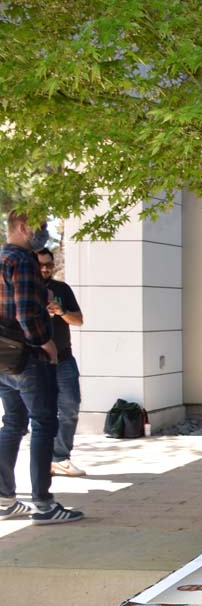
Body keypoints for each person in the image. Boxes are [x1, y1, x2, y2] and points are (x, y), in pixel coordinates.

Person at [0, 212, 82, 524]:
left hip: (4, 358)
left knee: (12, 424)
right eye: (40, 226)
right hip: (29, 358)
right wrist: (44, 342)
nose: (43, 232)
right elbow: (25, 311)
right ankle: (44, 504)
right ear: (22, 227)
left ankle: (5, 499)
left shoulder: (2, 258)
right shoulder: (22, 260)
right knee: (44, 424)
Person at [37, 249, 86, 477]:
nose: (45, 269)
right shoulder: (24, 289)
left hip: (64, 359)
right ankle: (40, 461)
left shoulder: (61, 289)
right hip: (35, 361)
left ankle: (60, 457)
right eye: (41, 265)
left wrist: (61, 311)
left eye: (49, 264)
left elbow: (78, 320)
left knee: (70, 407)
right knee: (37, 414)